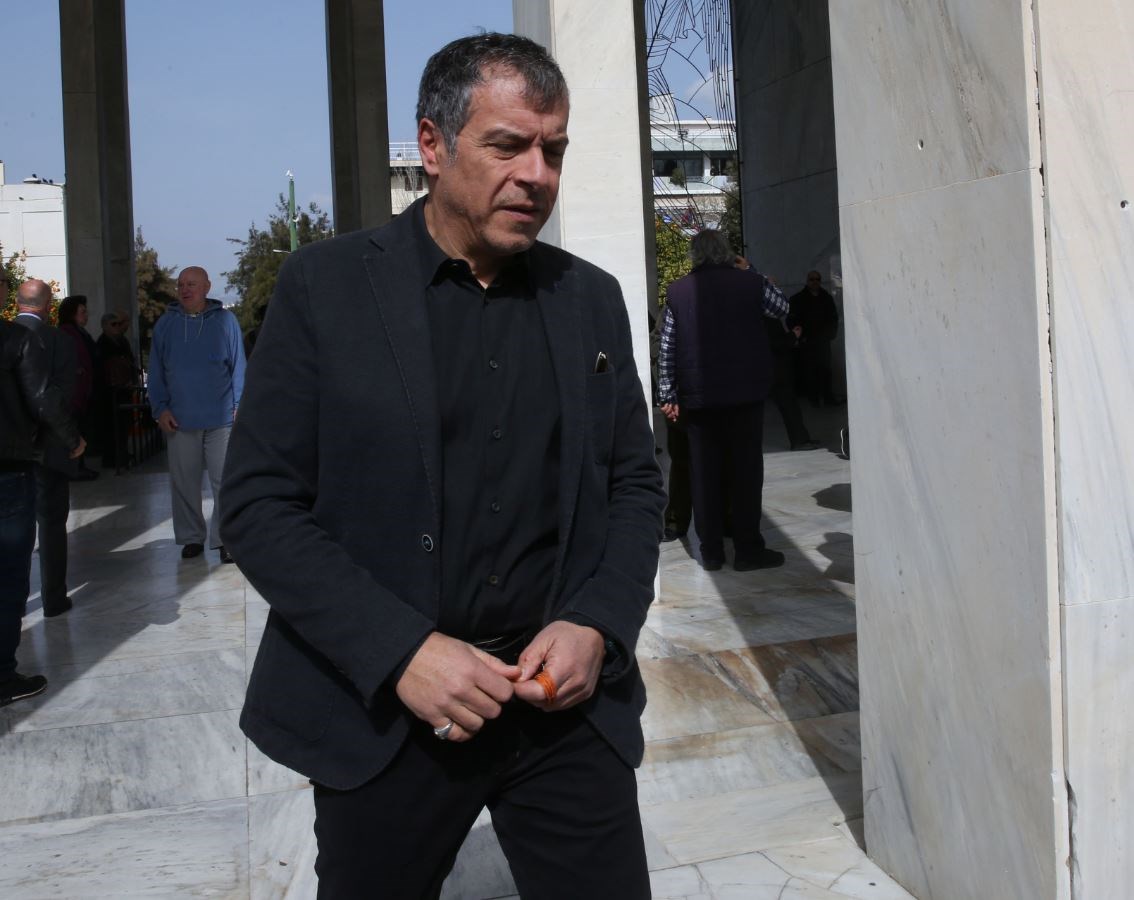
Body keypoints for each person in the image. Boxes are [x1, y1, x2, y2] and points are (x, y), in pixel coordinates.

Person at [220, 33, 665, 899]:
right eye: (508, 146)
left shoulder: (590, 298)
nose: (536, 175)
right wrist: (401, 653)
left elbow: (635, 483)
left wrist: (597, 623)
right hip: (391, 717)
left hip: (562, 716)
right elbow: (259, 506)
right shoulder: (324, 288)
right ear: (432, 145)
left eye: (553, 150)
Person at [657, 229, 788, 572]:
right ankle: (747, 549)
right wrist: (752, 270)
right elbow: (781, 307)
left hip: (700, 399)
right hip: (745, 396)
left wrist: (667, 394)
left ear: (695, 255)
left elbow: (668, 347)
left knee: (704, 475)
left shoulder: (678, 291)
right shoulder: (750, 283)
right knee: (746, 474)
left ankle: (711, 551)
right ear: (727, 253)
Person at [1, 316, 84, 706]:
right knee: (8, 576)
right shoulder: (15, 339)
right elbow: (42, 397)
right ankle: (2, 675)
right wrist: (72, 439)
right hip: (7, 470)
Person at [148, 266, 245, 563]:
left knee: (225, 481)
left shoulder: (226, 321)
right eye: (180, 285)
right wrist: (160, 408)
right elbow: (155, 371)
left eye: (191, 284)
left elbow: (239, 366)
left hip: (222, 418)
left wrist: (240, 405)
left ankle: (225, 539)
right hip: (179, 419)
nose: (185, 289)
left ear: (206, 287)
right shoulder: (166, 324)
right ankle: (191, 537)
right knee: (184, 483)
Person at [14, 281, 79, 616]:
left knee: (11, 527)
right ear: (48, 305)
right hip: (49, 446)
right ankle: (53, 597)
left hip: (10, 448)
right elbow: (61, 397)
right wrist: (72, 439)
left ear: (16, 302)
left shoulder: (6, 336)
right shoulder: (58, 341)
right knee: (51, 523)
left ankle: (14, 601)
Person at [57, 295, 99, 480]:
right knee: (75, 429)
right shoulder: (67, 333)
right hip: (74, 392)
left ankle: (79, 465)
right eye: (82, 312)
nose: (86, 315)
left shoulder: (80, 332)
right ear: (72, 314)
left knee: (81, 428)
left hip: (82, 391)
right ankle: (75, 467)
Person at [789, 270, 842, 406]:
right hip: (807, 341)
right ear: (807, 281)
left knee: (826, 370)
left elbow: (833, 318)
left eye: (817, 279)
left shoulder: (826, 298)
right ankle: (813, 398)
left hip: (823, 340)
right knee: (809, 370)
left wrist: (830, 335)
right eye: (812, 279)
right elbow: (792, 319)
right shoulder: (798, 299)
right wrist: (799, 336)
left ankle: (828, 397)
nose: (815, 282)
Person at [95, 310, 138, 468]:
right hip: (110, 391)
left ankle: (121, 453)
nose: (117, 327)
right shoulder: (103, 344)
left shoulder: (121, 341)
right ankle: (112, 457)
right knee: (112, 427)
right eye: (114, 324)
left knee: (123, 425)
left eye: (119, 324)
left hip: (123, 389)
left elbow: (130, 361)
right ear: (105, 326)